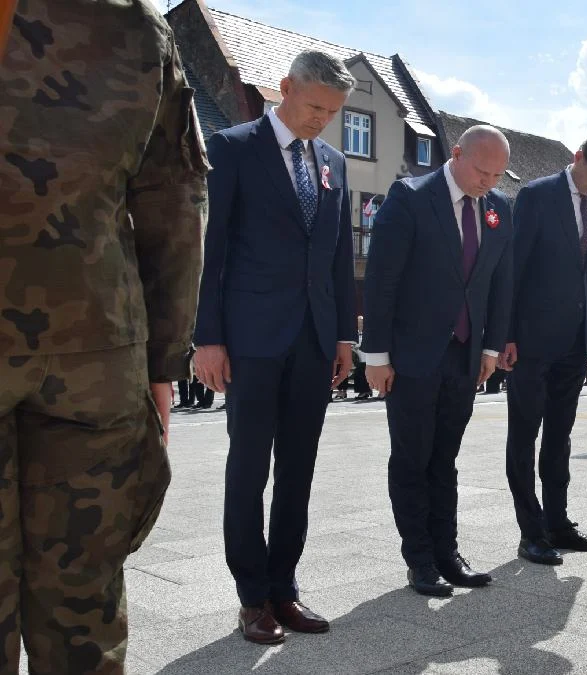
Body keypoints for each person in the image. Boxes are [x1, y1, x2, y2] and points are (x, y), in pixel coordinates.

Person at [1, 1, 207, 670]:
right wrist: (162, 363)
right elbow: (174, 199)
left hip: (95, 352)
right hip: (95, 346)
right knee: (83, 610)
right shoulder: (136, 24)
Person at [193, 51, 357, 644]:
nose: (322, 120)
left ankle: (284, 588)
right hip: (251, 340)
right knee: (248, 467)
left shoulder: (334, 163)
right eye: (315, 106)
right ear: (284, 88)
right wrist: (206, 337)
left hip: (314, 340)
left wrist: (343, 335)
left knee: (299, 469)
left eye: (333, 112)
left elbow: (337, 255)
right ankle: (251, 595)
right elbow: (213, 249)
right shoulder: (234, 148)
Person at [362, 125, 513, 596]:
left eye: (497, 175)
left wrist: (490, 347)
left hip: (465, 356)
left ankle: (448, 552)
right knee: (412, 458)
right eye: (482, 171)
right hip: (411, 356)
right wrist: (377, 356)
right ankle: (420, 558)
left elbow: (497, 284)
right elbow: (381, 281)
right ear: (456, 153)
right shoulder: (409, 198)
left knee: (445, 458)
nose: (488, 182)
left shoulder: (498, 209)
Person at [500, 132, 587, 566]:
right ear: (578, 158)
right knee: (524, 436)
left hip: (576, 341)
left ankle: (558, 522)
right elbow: (513, 266)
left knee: (560, 437)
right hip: (532, 340)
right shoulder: (537, 196)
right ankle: (530, 531)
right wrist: (507, 333)